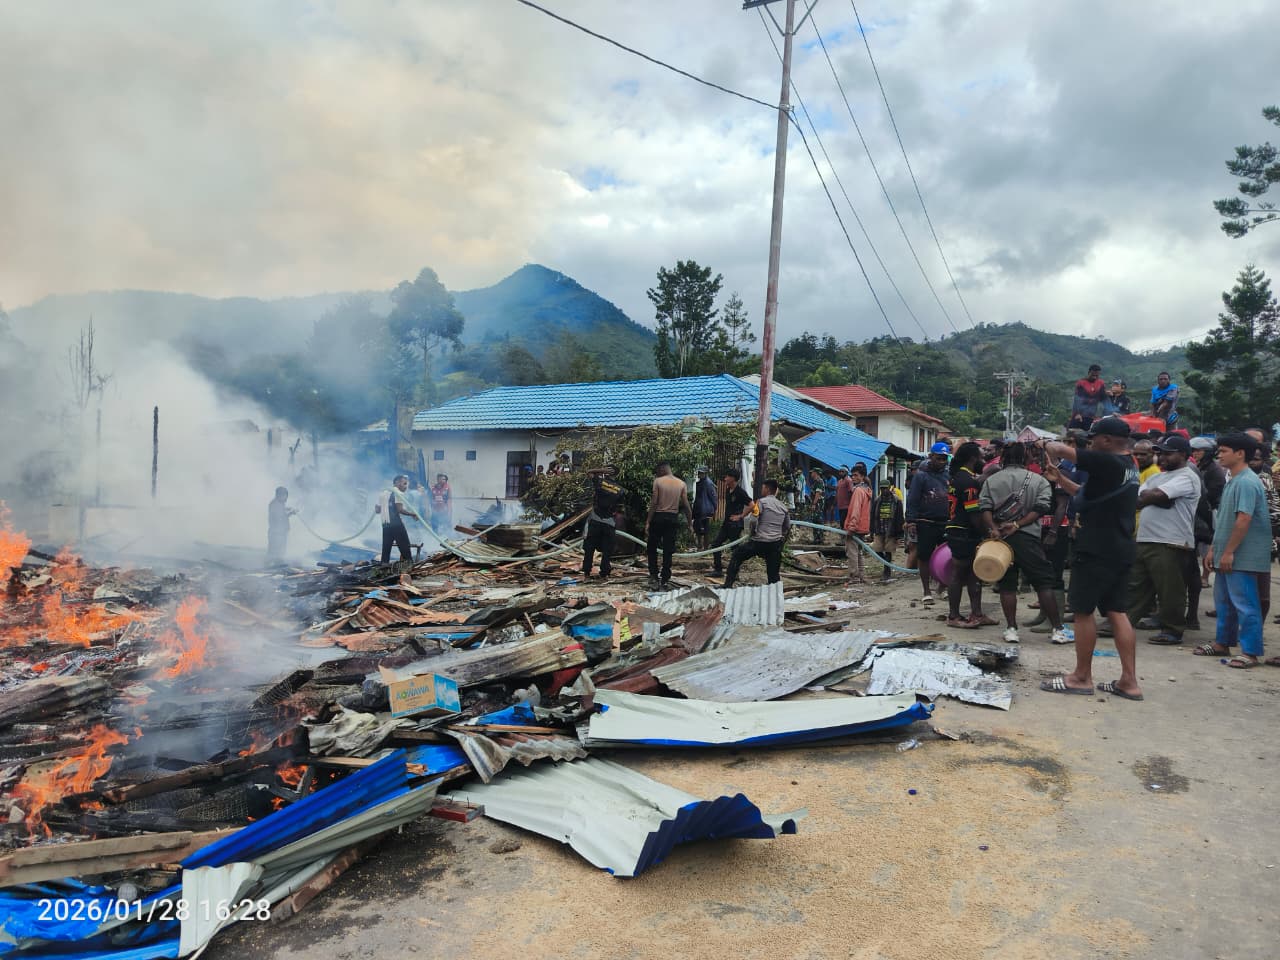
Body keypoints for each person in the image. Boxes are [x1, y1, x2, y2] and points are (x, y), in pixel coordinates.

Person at [1037, 417, 1142, 700]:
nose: (1088, 444)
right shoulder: (1130, 467)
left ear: (1106, 440)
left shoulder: (1105, 461)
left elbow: (1059, 450)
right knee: (1117, 612)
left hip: (1096, 548)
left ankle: (1081, 677)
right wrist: (1060, 478)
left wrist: (1046, 444)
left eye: (1092, 438)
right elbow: (1088, 495)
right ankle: (1129, 682)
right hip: (1120, 547)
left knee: (1083, 611)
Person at [1192, 433, 1270, 667]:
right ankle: (1222, 643)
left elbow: (1243, 519)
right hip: (1228, 553)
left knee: (1246, 604)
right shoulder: (1232, 480)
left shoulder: (1246, 481)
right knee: (1224, 601)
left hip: (1243, 556)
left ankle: (1250, 652)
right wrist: (1214, 549)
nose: (1220, 455)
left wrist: (1228, 552)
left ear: (1240, 454)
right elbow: (1226, 520)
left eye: (1225, 451)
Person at [978, 441, 1068, 643]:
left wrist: (993, 528)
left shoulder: (991, 481)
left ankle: (1011, 629)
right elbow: (1042, 507)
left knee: (1007, 585)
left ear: (1003, 458)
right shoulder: (1038, 480)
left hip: (1000, 540)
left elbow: (984, 507)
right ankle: (1057, 630)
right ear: (1025, 458)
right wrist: (1018, 525)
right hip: (1028, 538)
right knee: (1044, 583)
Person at [1124, 436, 1201, 646]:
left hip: (1171, 540)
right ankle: (1121, 623)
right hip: (1146, 537)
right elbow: (1138, 498)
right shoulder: (1158, 476)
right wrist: (1155, 498)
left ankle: (1173, 630)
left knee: (1170, 589)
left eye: (1169, 453)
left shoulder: (1187, 476)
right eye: (1162, 452)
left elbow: (1152, 496)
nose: (1163, 457)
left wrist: (1153, 497)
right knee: (1136, 585)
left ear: (1184, 455)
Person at [944, 442, 992, 628]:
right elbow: (974, 515)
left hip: (957, 529)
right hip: (963, 532)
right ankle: (954, 617)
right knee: (959, 573)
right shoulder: (968, 481)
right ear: (973, 458)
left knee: (974, 574)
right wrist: (987, 533)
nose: (983, 460)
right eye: (981, 456)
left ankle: (977, 613)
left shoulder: (958, 477)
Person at [906, 442, 951, 605]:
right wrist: (911, 520)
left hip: (945, 522)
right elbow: (913, 499)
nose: (942, 461)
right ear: (931, 456)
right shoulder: (921, 476)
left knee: (947, 557)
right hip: (925, 522)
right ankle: (926, 591)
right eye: (939, 458)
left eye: (944, 459)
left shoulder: (948, 475)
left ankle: (943, 587)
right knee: (924, 556)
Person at [723, 478, 790, 587]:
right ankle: (774, 593)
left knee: (736, 555)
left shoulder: (760, 502)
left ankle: (727, 585)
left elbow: (754, 520)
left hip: (760, 541)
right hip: (775, 543)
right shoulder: (783, 506)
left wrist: (752, 532)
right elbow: (787, 527)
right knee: (773, 572)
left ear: (767, 489)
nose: (761, 490)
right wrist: (780, 540)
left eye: (763, 488)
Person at [645, 461, 692, 590]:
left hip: (659, 517)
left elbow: (654, 503)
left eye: (658, 471)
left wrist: (648, 521)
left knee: (652, 548)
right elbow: (686, 505)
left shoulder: (658, 481)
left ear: (662, 469)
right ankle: (665, 579)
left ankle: (654, 576)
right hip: (672, 518)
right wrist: (690, 523)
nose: (657, 473)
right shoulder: (681, 483)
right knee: (668, 550)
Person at [582, 467, 624, 579]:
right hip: (609, 523)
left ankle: (586, 572)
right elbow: (619, 508)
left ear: (607, 472)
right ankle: (604, 573)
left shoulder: (600, 482)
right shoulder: (620, 490)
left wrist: (601, 470)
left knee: (589, 548)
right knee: (607, 550)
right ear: (618, 474)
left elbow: (588, 471)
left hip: (595, 520)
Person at [711, 468, 753, 578]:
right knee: (716, 544)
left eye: (727, 477)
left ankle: (735, 572)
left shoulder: (740, 492)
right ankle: (718, 569)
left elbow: (752, 505)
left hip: (735, 525)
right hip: (726, 523)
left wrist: (741, 516)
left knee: (734, 549)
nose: (725, 479)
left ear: (733, 478)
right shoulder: (728, 490)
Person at [378, 474, 422, 565]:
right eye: (404, 483)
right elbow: (399, 509)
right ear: (397, 483)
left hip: (385, 525)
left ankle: (383, 566)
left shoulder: (383, 493)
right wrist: (412, 514)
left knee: (386, 548)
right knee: (405, 546)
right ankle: (409, 566)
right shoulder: (398, 493)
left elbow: (377, 510)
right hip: (396, 524)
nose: (406, 486)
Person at [870, 475, 905, 583]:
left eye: (885, 488)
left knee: (889, 551)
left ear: (889, 487)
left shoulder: (896, 501)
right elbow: (872, 515)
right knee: (876, 549)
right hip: (879, 528)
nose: (884, 490)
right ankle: (885, 563)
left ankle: (887, 571)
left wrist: (900, 534)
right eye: (882, 488)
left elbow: (900, 518)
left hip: (891, 530)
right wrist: (871, 530)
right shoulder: (877, 500)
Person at [843, 463, 873, 584]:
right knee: (858, 552)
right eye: (852, 475)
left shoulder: (858, 491)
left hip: (856, 527)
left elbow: (856, 511)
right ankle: (861, 576)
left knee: (852, 553)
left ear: (862, 477)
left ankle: (854, 577)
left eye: (855, 475)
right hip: (863, 527)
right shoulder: (867, 490)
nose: (853, 478)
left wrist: (851, 527)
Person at [1068, 364, 1107, 431]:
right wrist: (1077, 413)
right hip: (1079, 415)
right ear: (1089, 372)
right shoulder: (1081, 383)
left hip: (1090, 416)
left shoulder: (1101, 383)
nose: (1095, 377)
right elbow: (1077, 399)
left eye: (1097, 376)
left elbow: (1102, 398)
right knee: (1072, 433)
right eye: (1093, 375)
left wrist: (1107, 394)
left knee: (1085, 436)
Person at [691, 466, 719, 553]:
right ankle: (700, 546)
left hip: (705, 510)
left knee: (705, 530)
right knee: (698, 528)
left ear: (706, 473)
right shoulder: (699, 483)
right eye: (699, 472)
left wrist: (714, 508)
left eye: (701, 473)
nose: (699, 474)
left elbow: (713, 497)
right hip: (698, 509)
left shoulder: (708, 483)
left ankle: (705, 549)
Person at [266, 486, 295, 566]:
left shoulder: (279, 503)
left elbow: (282, 511)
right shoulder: (275, 504)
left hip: (280, 532)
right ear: (279, 495)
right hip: (276, 532)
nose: (286, 497)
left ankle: (277, 564)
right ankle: (270, 565)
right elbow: (280, 517)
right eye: (285, 495)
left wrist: (288, 509)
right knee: (275, 550)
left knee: (280, 550)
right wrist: (291, 513)